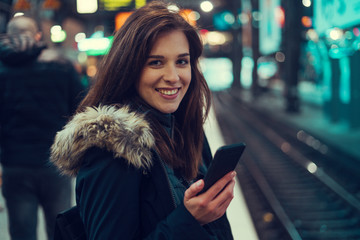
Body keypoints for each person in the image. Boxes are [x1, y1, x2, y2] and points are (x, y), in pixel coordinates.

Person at [50, 1, 236, 239]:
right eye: (155, 62)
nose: (173, 77)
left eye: (182, 61)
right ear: (129, 68)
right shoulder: (114, 148)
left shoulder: (184, 129)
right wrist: (188, 219)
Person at [0, 15, 85, 240]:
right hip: (55, 163)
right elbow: (81, 109)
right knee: (60, 229)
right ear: (37, 36)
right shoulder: (61, 66)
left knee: (21, 232)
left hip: (14, 165)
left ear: (9, 36)